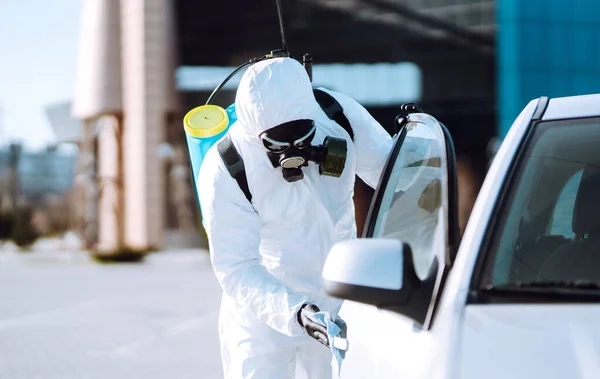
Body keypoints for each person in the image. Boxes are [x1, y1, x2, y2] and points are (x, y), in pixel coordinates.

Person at [198, 57, 394, 379]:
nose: (293, 153)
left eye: (302, 139)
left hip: (338, 298)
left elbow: (396, 177)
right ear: (254, 131)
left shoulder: (338, 117)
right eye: (277, 144)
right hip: (263, 310)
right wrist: (297, 312)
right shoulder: (227, 167)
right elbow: (236, 268)